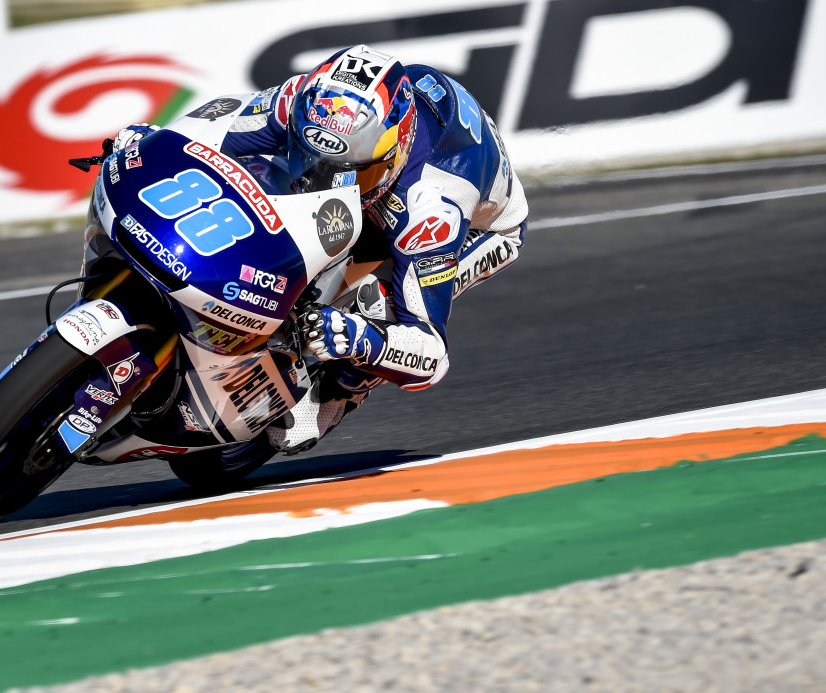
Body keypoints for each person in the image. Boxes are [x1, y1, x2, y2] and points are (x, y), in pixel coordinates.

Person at [112, 45, 528, 453]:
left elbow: (432, 355)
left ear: (395, 150)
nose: (322, 181)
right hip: (386, 177)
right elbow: (212, 130)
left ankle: (339, 397)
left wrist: (364, 341)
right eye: (308, 156)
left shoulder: (435, 207)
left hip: (482, 229)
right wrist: (151, 145)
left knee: (373, 304)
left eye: (351, 172)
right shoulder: (308, 103)